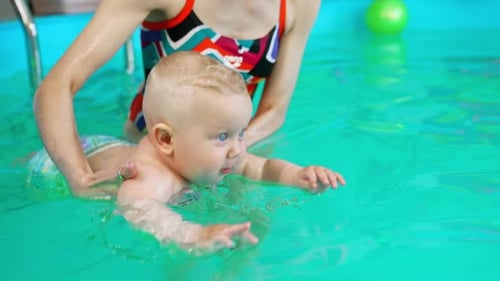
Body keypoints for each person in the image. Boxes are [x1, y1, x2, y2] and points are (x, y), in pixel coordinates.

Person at [29, 52, 345, 250]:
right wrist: (194, 234)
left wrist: (298, 175)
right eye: (223, 136)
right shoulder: (151, 176)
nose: (238, 148)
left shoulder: (220, 155)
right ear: (166, 140)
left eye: (241, 133)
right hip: (52, 168)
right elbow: (142, 211)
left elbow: (259, 168)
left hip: (107, 146)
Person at [33, 0, 321, 196]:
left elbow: (274, 109)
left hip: (230, 153)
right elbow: (57, 85)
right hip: (146, 151)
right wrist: (80, 179)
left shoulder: (299, 4)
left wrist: (228, 152)